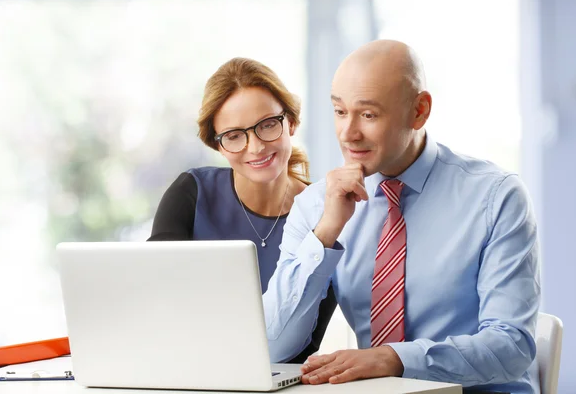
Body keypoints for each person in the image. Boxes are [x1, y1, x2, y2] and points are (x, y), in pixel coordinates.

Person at [263, 40, 541, 394]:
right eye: (339, 111)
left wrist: (393, 359)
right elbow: (274, 347)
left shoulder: (496, 197)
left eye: (368, 114)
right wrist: (325, 232)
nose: (348, 133)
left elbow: (512, 347)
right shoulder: (318, 205)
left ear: (419, 111)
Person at [149, 57, 337, 363]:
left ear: (290, 122)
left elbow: (305, 342)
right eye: (235, 135)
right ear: (218, 145)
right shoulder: (190, 194)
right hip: (187, 368)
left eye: (267, 125)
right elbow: (154, 300)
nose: (256, 147)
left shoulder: (325, 216)